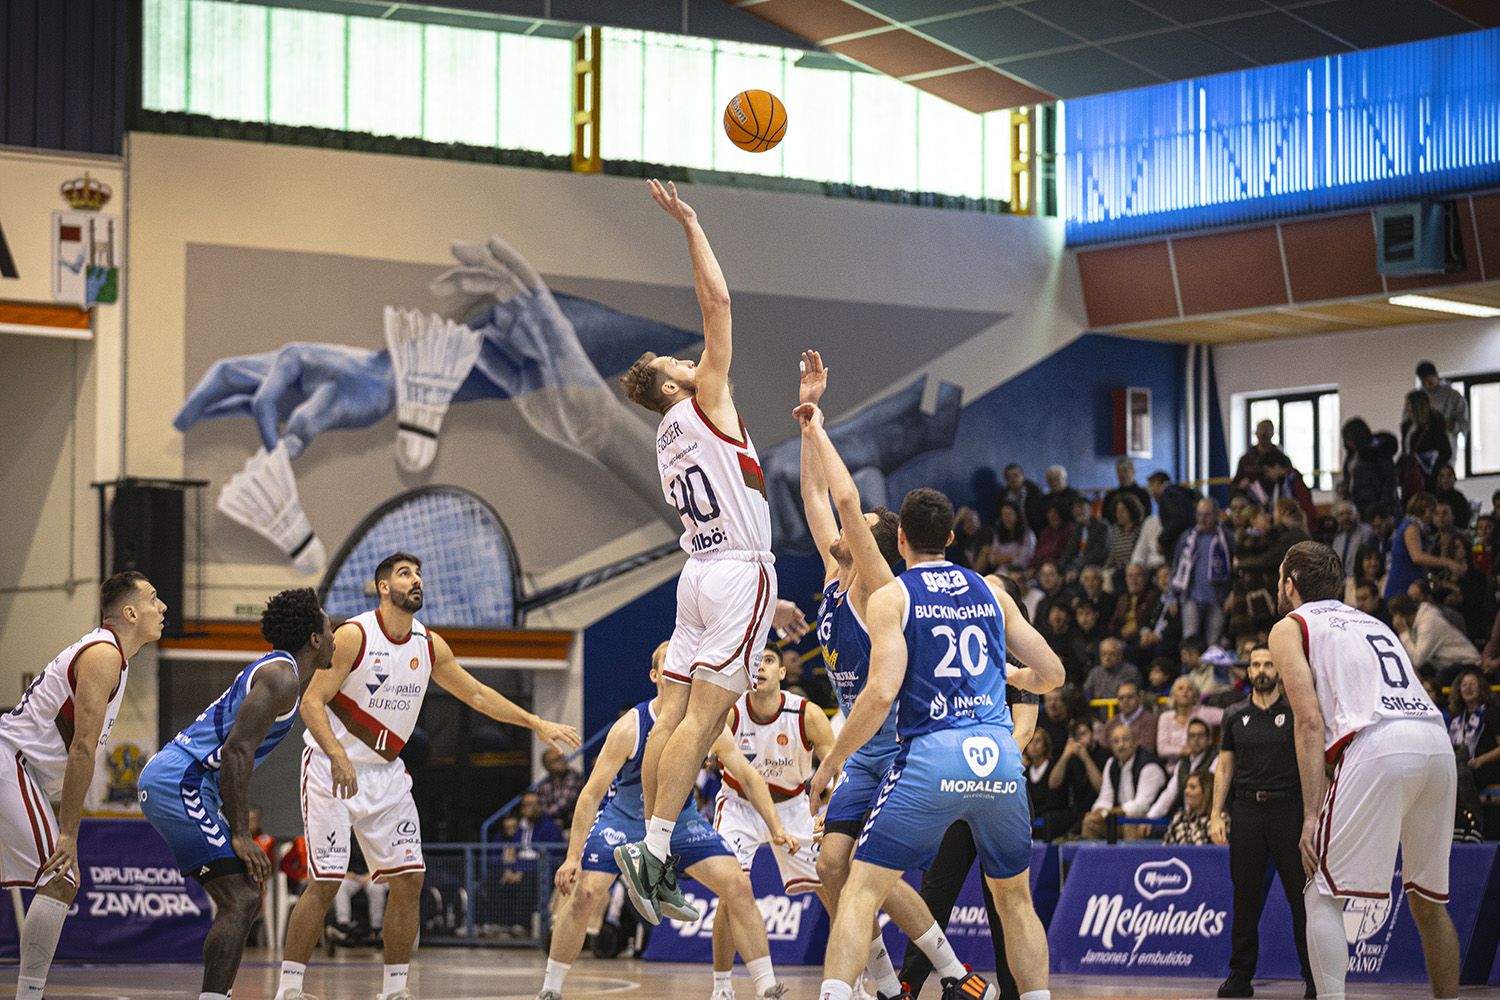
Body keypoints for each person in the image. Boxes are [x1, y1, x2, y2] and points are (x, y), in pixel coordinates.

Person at [614, 180, 807, 925]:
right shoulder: (705, 402)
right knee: (707, 721)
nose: (693, 360)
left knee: (671, 715)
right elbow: (720, 308)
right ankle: (656, 855)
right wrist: (692, 225)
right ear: (671, 384)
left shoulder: (667, 437)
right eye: (678, 361)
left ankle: (647, 842)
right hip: (736, 570)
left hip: (698, 575)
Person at [275, 552, 580, 1000]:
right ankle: (289, 989)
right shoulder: (354, 636)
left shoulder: (428, 644)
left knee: (410, 879)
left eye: (418, 574)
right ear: (383, 587)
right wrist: (337, 754)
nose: (416, 580)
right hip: (329, 768)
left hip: (387, 775)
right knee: (326, 881)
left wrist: (537, 723)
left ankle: (395, 991)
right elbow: (311, 703)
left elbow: (476, 693)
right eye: (404, 574)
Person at [808, 486, 1064, 1000]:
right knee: (1016, 902)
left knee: (859, 890)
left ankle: (842, 993)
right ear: (951, 536)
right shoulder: (991, 591)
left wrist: (830, 760)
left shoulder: (895, 595)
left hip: (933, 756)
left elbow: (881, 693)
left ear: (900, 539)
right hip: (996, 758)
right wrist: (1014, 676)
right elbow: (1053, 674)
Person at [795, 376, 989, 1000]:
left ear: (869, 544)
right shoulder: (832, 573)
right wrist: (807, 422)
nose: (838, 529)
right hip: (859, 745)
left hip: (896, 745)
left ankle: (954, 973)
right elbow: (814, 495)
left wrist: (824, 429)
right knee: (832, 867)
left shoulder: (877, 588)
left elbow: (847, 500)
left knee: (869, 874)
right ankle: (886, 983)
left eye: (856, 530)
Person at [537, 642, 794, 1000]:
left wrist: (776, 827)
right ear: (657, 675)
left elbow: (750, 777)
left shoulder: (707, 725)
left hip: (679, 820)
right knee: (586, 895)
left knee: (739, 886)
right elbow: (591, 794)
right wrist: (572, 856)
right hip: (625, 820)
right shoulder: (631, 726)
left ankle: (766, 986)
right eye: (671, 664)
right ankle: (550, 989)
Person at [1272, 541, 1459, 1000]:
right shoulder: (1371, 621)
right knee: (1429, 903)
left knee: (1320, 891)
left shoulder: (1290, 625)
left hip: (1378, 744)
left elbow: (1309, 720)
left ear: (1290, 584)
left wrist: (1312, 815)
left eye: (1280, 578)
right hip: (1435, 742)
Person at [139, 587, 335, 1000]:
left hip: (189, 782)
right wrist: (241, 832)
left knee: (243, 896)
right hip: (182, 781)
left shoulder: (282, 675)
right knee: (242, 899)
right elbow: (236, 751)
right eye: (330, 628)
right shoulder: (281, 678)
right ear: (315, 639)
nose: (334, 636)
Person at [0, 572, 165, 1000]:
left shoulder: (112, 657)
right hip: (11, 763)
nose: (162, 607)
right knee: (60, 876)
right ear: (129, 613)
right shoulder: (103, 655)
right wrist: (68, 832)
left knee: (60, 878)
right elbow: (81, 749)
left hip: (22, 772)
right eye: (153, 599)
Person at [711, 648, 835, 992]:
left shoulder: (806, 714)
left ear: (782, 672)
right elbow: (714, 756)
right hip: (740, 805)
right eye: (754, 663)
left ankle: (852, 984)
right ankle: (722, 987)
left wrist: (832, 811)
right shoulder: (730, 713)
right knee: (730, 892)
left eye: (767, 660)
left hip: (794, 805)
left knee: (833, 888)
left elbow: (838, 768)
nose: (760, 667)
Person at [1208, 643, 1313, 999]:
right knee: (1245, 899)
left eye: (1268, 664)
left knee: (1302, 899)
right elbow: (1225, 766)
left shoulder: (1297, 711)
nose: (1262, 670)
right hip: (1247, 811)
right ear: (1248, 671)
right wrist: (1215, 813)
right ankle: (1240, 977)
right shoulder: (1234, 713)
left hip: (1290, 810)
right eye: (1255, 665)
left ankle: (1315, 979)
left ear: (1279, 670)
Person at [1167, 498, 1233, 648]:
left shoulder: (1227, 538)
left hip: (1218, 599)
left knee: (1214, 645)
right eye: (1199, 515)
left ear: (1217, 515)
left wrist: (1232, 594)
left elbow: (1235, 569)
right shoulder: (1187, 538)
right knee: (1189, 642)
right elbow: (1176, 568)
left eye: (1207, 515)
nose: (1202, 519)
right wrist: (1171, 595)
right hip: (1191, 597)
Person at [1081, 725, 1165, 841]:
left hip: (1152, 819)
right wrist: (1098, 812)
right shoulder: (1111, 763)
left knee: (1129, 821)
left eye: (1125, 739)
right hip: (1121, 817)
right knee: (1090, 821)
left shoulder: (1149, 766)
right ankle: (1092, 859)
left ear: (1136, 742)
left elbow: (1141, 805)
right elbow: (1105, 798)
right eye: (1116, 741)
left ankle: (1129, 859)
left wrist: (1108, 812)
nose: (1121, 745)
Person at [1384, 492, 1464, 599]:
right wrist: (1448, 563)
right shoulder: (1411, 527)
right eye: (1432, 510)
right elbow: (1417, 557)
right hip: (1403, 586)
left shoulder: (1415, 527)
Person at [1389, 593, 1480, 682]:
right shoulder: (1414, 625)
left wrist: (1403, 633)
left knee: (1438, 680)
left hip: (1467, 663)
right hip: (1446, 665)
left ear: (1401, 615)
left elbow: (1417, 659)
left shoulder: (1429, 622)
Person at [1149, 718, 1218, 820]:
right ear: (1187, 740)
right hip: (1188, 817)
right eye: (1192, 736)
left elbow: (1211, 794)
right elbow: (1169, 794)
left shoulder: (1217, 760)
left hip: (1209, 817)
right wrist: (1150, 818)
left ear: (1209, 740)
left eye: (1200, 735)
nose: (1196, 739)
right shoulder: (1182, 763)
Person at [1448, 667, 1500, 790]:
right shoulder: (1457, 717)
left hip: (1487, 766)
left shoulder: (1492, 712)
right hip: (1463, 766)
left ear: (1481, 688)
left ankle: (1473, 810)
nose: (1468, 688)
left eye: (1472, 684)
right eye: (1464, 684)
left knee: (1463, 776)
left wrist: (1480, 760)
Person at [1338, 417, 1398, 519]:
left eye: (1351, 439)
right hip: (1356, 505)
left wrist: (1382, 506)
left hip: (1375, 504)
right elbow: (1349, 478)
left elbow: (1389, 481)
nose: (1349, 443)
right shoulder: (1351, 456)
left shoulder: (1379, 453)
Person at [1156, 676, 1224, 758]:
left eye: (1190, 689)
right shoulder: (1165, 717)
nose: (1185, 691)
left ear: (1195, 695)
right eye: (1180, 688)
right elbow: (1162, 749)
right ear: (1173, 695)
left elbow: (1230, 716)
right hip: (1172, 767)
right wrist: (1186, 751)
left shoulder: (1205, 712)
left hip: (1202, 763)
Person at [1401, 388, 1451, 491]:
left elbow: (1446, 452)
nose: (1406, 408)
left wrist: (1427, 461)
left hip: (1428, 476)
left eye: (1408, 405)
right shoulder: (1407, 425)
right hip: (1410, 473)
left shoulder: (1434, 426)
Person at [1417, 360, 1470, 457]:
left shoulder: (1453, 396)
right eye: (1424, 383)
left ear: (1436, 375)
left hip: (1446, 447)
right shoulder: (1418, 397)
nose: (1427, 386)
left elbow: (1465, 424)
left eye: (1430, 382)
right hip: (1423, 449)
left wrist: (1452, 426)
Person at [1161, 770, 1217, 846]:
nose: (1186, 791)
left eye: (1192, 787)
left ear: (1206, 791)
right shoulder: (1180, 818)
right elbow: (1165, 848)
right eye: (1186, 787)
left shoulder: (1218, 821)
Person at [1101, 680, 1157, 755]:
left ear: (1140, 698)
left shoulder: (1150, 720)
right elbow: (1103, 747)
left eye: (1130, 697)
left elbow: (1147, 748)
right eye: (1121, 698)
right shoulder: (1112, 722)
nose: (1125, 701)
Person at [536, 748, 584, 828]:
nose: (562, 761)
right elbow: (542, 805)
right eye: (556, 760)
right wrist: (551, 821)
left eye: (562, 757)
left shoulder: (574, 776)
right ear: (547, 766)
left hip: (573, 824)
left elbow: (566, 803)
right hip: (552, 824)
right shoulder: (545, 784)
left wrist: (547, 817)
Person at [1082, 638, 1141, 703]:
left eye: (1111, 654)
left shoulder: (1130, 672)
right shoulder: (1095, 672)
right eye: (1104, 654)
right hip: (1099, 712)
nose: (1107, 658)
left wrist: (1100, 696)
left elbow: (1128, 695)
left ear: (1120, 655)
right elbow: (1086, 692)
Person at [1328, 500, 1376, 580]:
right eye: (1341, 514)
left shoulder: (1367, 533)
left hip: (1361, 581)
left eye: (1349, 513)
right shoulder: (1338, 539)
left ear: (1357, 515)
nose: (1345, 517)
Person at [1102, 457, 1152, 529]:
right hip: (1116, 535)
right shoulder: (1110, 496)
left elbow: (1146, 518)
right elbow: (1106, 519)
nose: (1122, 474)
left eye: (1125, 470)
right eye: (1119, 471)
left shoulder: (1143, 494)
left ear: (1133, 471)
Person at [989, 501, 1035, 572]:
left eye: (1009, 514)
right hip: (1000, 571)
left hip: (1020, 573)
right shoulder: (999, 535)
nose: (1006, 518)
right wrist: (1010, 557)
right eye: (1004, 515)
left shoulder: (1028, 535)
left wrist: (1001, 557)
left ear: (1017, 516)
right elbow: (992, 558)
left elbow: (1023, 560)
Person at [1003, 463, 1048, 535]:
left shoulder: (1034, 492)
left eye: (1016, 476)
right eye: (1009, 477)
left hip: (1035, 533)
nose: (1013, 479)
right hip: (1013, 537)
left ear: (1022, 476)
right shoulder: (1003, 497)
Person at [1234, 420, 1277, 495]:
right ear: (1256, 433)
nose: (1263, 434)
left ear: (1272, 434)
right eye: (1261, 431)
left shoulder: (1280, 459)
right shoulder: (1246, 459)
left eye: (1267, 431)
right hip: (1250, 502)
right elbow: (1233, 486)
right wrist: (1240, 486)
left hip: (1275, 500)